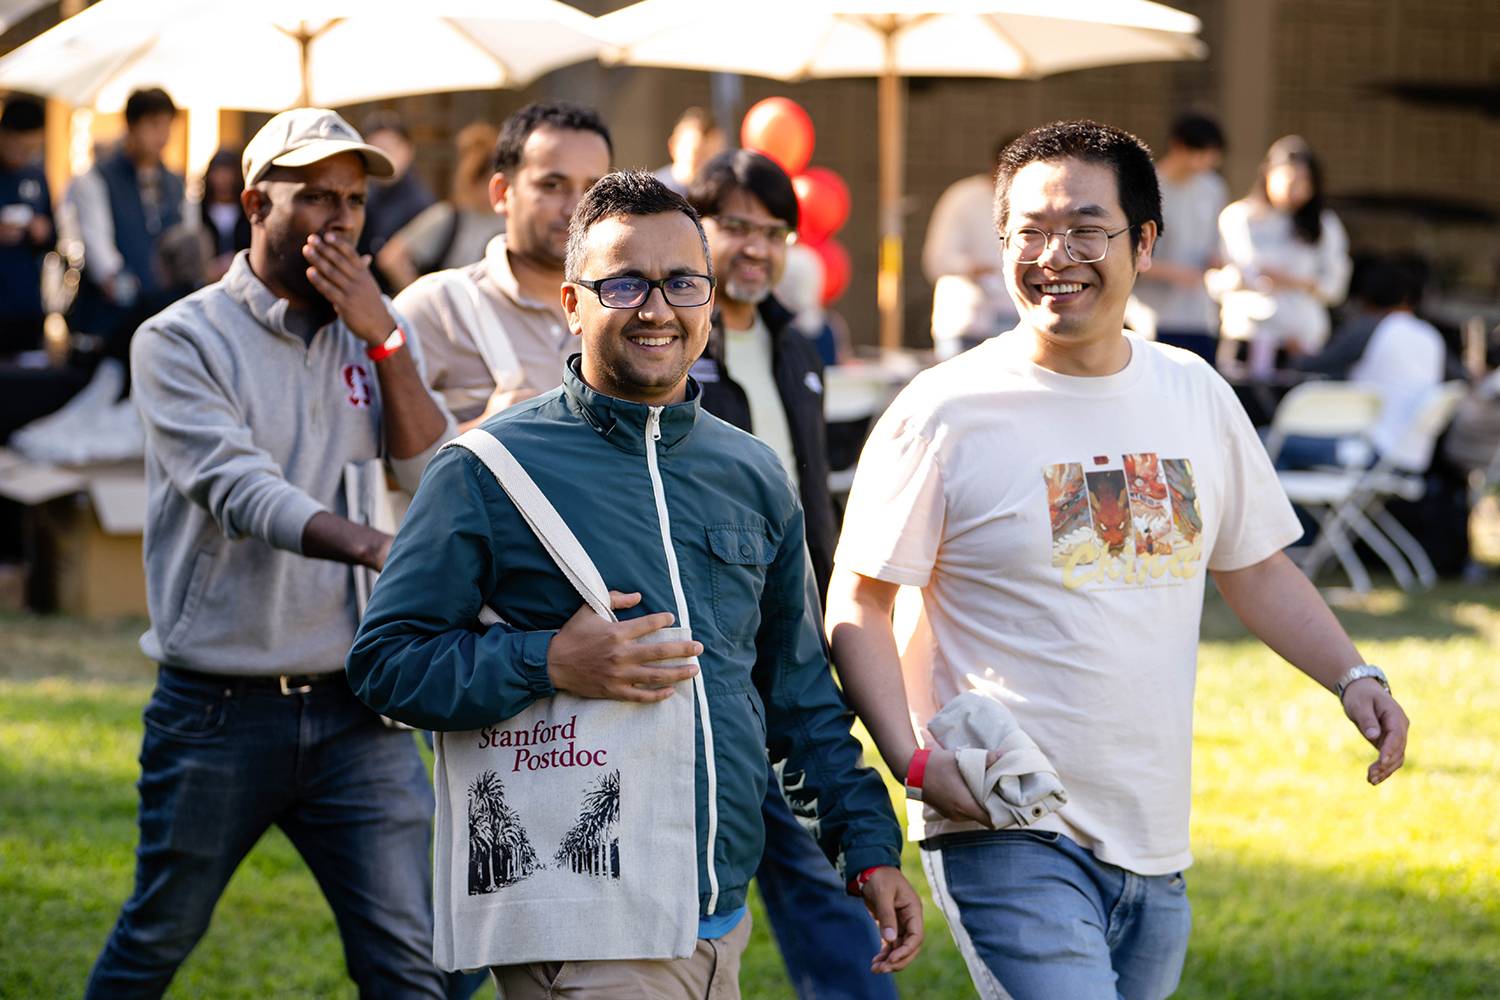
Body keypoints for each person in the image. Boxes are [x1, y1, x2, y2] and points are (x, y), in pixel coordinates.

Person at [825, 120, 1410, 1000]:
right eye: (1029, 231)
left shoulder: (1193, 392)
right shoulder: (942, 411)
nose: (1055, 255)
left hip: (1152, 835)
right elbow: (859, 603)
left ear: (1143, 243)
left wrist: (1352, 674)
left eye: (1086, 230)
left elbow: (1253, 566)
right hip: (1004, 813)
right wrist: (913, 760)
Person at [347, 170, 923, 998]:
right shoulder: (487, 469)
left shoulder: (752, 473)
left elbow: (796, 692)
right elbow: (385, 665)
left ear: (710, 301)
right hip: (583, 918)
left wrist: (865, 849)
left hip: (721, 920)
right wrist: (547, 661)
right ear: (574, 305)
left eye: (682, 283)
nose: (657, 308)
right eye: (625, 283)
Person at [85, 108, 456, 1000]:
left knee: (412, 961)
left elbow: (427, 468)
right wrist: (376, 547)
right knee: (157, 937)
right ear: (255, 202)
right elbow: (239, 489)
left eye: (356, 201)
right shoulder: (178, 340)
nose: (340, 220)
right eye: (316, 197)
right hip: (219, 708)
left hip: (355, 709)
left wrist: (388, 337)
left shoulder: (371, 331)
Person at [688, 149, 895, 1000]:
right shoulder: (670, 345)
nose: (755, 247)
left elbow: (811, 493)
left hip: (792, 644)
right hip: (701, 660)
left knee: (822, 873)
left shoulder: (796, 341)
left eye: (773, 232)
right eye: (734, 225)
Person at [394, 102, 611, 430]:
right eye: (552, 185)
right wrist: (484, 429)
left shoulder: (629, 306)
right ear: (502, 192)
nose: (576, 208)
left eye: (594, 189)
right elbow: (373, 459)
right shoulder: (435, 308)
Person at [1281, 257, 1446, 472]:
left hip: (1367, 450)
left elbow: (1310, 365)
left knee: (1266, 442)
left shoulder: (1369, 328)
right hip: (1412, 455)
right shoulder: (1430, 336)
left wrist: (1295, 351)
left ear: (1365, 296)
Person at [63, 87, 193, 360]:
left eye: (168, 126)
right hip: (111, 326)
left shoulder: (175, 183)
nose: (163, 135)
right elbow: (101, 257)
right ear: (131, 126)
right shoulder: (95, 179)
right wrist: (126, 288)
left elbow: (186, 244)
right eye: (154, 125)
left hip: (166, 324)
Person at [1210, 135, 1351, 378]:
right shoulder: (1240, 217)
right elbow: (1238, 272)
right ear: (1268, 174)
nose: (1297, 189)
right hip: (1250, 334)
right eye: (1291, 179)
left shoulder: (1324, 225)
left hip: (1302, 342)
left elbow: (1335, 287)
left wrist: (1290, 280)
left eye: (1306, 181)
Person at [1133, 112, 1228, 364]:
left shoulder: (1213, 187)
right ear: (1178, 146)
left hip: (1198, 313)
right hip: (1151, 312)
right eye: (1199, 152)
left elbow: (1215, 242)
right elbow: (1128, 253)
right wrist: (1175, 273)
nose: (1205, 161)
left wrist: (1216, 259)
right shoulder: (1145, 185)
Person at [377, 122, 506, 292]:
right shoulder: (449, 217)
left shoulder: (510, 220)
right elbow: (391, 258)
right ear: (474, 180)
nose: (500, 189)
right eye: (492, 181)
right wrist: (424, 300)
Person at [922, 139, 1019, 360]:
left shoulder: (1034, 200)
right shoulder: (963, 197)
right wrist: (971, 268)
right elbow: (936, 260)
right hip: (966, 324)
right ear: (996, 165)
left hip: (1016, 320)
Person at [0, 96, 53, 357]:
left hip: (26, 304)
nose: (25, 156)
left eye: (33, 149)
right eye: (19, 148)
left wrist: (43, 232)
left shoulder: (36, 175)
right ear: (4, 135)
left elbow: (53, 235)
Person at [359, 112, 436, 262]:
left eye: (388, 149)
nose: (383, 157)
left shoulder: (421, 204)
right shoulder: (365, 194)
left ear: (408, 150)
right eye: (375, 150)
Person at [199, 148, 251, 283]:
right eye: (218, 174)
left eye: (228, 173)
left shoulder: (249, 211)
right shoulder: (198, 211)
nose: (223, 180)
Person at [654, 106, 725, 196]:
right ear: (674, 146)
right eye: (698, 153)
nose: (707, 162)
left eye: (715, 155)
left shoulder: (720, 196)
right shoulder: (655, 192)